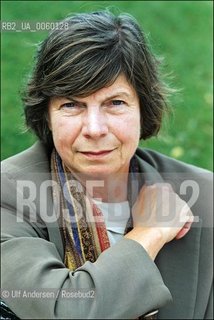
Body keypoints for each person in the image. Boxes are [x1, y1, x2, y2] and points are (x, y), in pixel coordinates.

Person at [1, 10, 212, 320]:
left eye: (115, 103)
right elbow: (70, 311)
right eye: (71, 104)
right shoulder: (8, 194)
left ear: (144, 108)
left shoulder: (206, 197)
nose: (95, 128)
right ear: (47, 114)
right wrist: (149, 233)